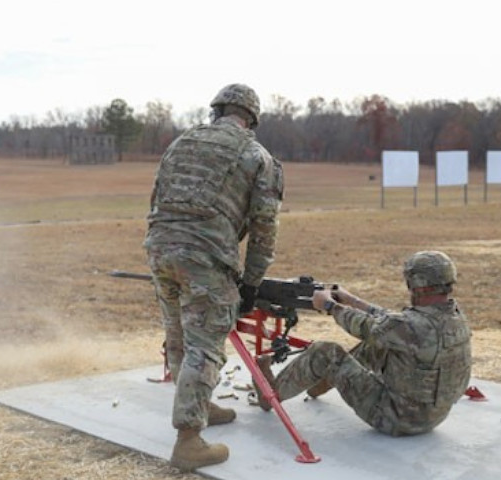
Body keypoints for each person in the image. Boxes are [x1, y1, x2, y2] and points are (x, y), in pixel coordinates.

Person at [144, 83, 283, 470]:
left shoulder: (181, 143)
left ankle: (199, 404)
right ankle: (188, 441)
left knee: (179, 335)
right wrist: (252, 283)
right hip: (204, 257)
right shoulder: (257, 155)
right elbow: (264, 227)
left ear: (217, 110)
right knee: (205, 344)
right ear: (251, 118)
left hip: (159, 247)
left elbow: (156, 198)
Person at [255, 251, 472, 437]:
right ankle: (318, 385)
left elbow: (370, 327)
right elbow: (390, 324)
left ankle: (269, 396)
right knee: (376, 345)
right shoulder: (453, 317)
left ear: (417, 285)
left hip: (396, 420)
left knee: (326, 352)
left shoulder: (410, 326)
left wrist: (329, 306)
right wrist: (352, 300)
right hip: (429, 417)